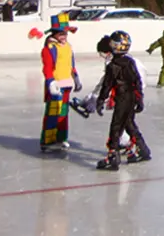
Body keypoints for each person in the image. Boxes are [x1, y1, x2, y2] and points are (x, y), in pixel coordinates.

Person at [95, 30, 150, 170]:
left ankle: (113, 156)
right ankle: (143, 149)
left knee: (116, 126)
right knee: (129, 124)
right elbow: (137, 81)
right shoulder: (130, 62)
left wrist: (101, 100)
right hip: (131, 97)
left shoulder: (113, 66)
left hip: (122, 98)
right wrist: (139, 98)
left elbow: (107, 85)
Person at [39, 14, 82, 152]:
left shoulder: (68, 46)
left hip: (67, 84)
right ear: (55, 33)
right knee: (53, 113)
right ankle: (47, 141)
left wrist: (76, 78)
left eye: (65, 33)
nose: (64, 36)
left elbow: (71, 64)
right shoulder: (50, 48)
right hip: (56, 85)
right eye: (61, 33)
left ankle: (61, 138)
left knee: (63, 113)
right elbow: (47, 67)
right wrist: (50, 82)